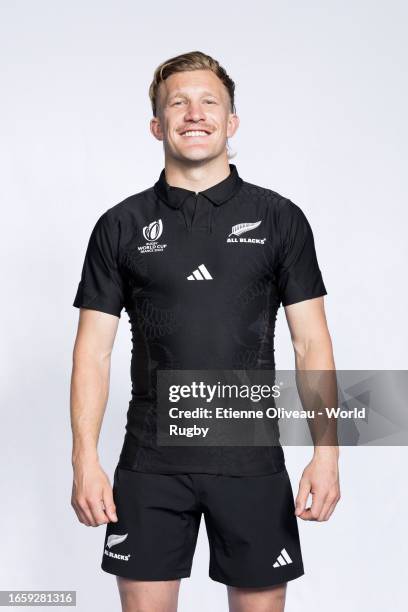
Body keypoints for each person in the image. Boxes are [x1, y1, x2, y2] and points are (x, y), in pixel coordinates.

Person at [70, 50, 340, 612]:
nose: (194, 113)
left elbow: (310, 342)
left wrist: (327, 454)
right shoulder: (120, 226)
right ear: (156, 125)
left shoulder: (279, 219)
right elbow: (93, 353)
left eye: (209, 102)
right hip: (149, 464)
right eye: (178, 103)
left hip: (252, 463)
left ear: (231, 121)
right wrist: (84, 460)